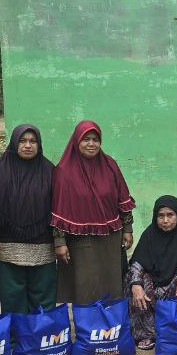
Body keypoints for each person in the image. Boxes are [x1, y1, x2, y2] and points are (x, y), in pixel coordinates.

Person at [51, 120, 136, 304]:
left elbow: (123, 198)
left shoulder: (110, 165)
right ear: (76, 141)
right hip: (80, 243)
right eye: (86, 139)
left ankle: (111, 329)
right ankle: (89, 328)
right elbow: (58, 209)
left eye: (95, 139)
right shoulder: (64, 171)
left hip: (110, 240)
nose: (91, 144)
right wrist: (59, 242)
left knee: (112, 285)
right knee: (86, 287)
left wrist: (127, 228)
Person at [0, 124, 57, 314]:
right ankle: (16, 341)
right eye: (22, 141)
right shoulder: (0, 171)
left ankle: (42, 340)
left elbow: (58, 209)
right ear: (14, 143)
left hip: (43, 248)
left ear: (39, 145)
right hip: (10, 250)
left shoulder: (50, 171)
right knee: (13, 300)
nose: (27, 145)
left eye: (33, 141)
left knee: (43, 301)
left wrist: (59, 242)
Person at [126, 195, 177, 350]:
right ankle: (147, 333)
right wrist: (136, 285)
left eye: (170, 215)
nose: (165, 220)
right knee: (134, 279)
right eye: (160, 216)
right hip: (156, 282)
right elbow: (138, 262)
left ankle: (173, 329)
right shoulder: (150, 234)